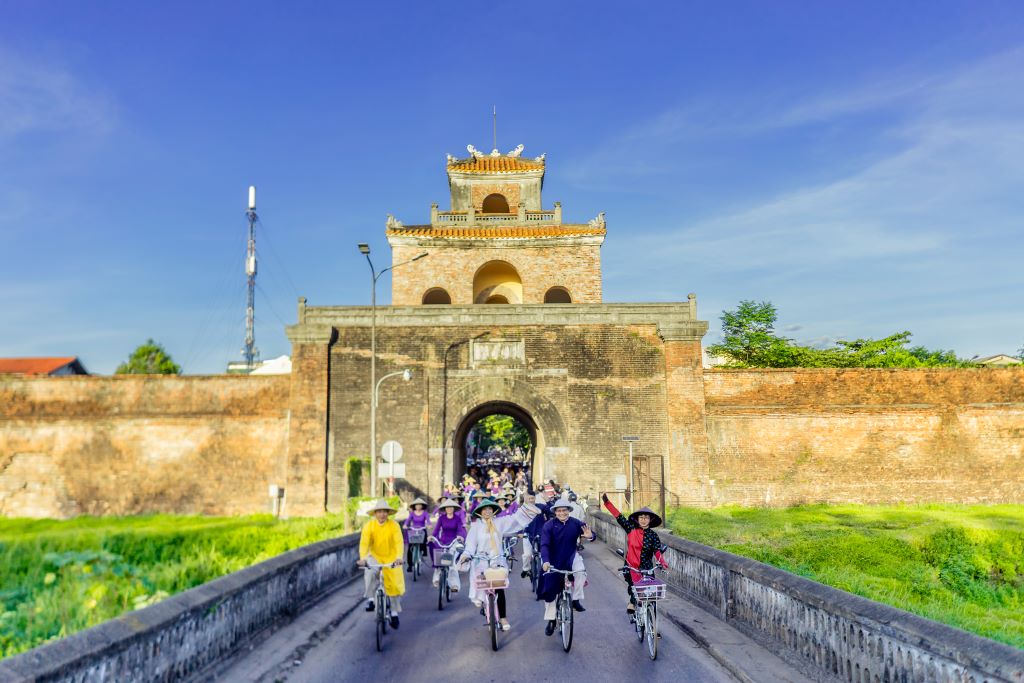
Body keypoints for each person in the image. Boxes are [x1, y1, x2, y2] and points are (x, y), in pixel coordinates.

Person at [457, 496, 539, 631]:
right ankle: (485, 604)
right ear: (480, 512)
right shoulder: (476, 526)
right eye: (484, 509)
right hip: (481, 560)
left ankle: (503, 617)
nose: (487, 511)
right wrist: (466, 555)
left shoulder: (499, 522)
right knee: (481, 583)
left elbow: (514, 519)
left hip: (497, 559)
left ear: (493, 511)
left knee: (499, 588)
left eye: (490, 509)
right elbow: (470, 544)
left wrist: (527, 507)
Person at [601, 493, 668, 614]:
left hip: (647, 567)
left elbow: (657, 551)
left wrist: (662, 562)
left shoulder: (653, 535)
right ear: (637, 519)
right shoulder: (631, 529)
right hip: (631, 566)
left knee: (650, 594)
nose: (643, 520)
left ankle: (652, 623)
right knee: (635, 589)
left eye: (646, 517)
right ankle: (632, 602)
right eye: (641, 517)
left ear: (650, 520)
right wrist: (607, 503)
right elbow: (618, 516)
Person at [539, 496, 595, 635]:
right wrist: (545, 561)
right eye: (559, 511)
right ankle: (551, 620)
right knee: (550, 589)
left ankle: (575, 600)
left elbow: (591, 533)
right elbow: (544, 545)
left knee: (581, 571)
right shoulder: (549, 525)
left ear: (569, 511)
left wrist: (590, 536)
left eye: (564, 510)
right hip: (552, 559)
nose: (562, 513)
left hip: (571, 555)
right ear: (555, 512)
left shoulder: (575, 523)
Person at [357, 499, 405, 628]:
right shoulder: (369, 526)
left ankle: (394, 613)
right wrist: (363, 558)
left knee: (394, 583)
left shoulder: (394, 525)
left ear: (388, 513)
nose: (382, 514)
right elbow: (364, 543)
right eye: (379, 512)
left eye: (384, 512)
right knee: (369, 572)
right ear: (375, 513)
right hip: (375, 556)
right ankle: (371, 599)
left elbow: (399, 542)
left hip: (392, 557)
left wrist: (399, 557)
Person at [429, 497, 466, 592]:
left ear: (454, 508)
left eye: (451, 507)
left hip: (454, 541)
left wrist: (460, 536)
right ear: (445, 509)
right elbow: (436, 529)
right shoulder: (441, 518)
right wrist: (432, 536)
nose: (449, 509)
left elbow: (460, 529)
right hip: (443, 541)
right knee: (439, 558)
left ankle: (454, 585)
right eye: (447, 507)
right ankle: (437, 578)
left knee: (451, 561)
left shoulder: (457, 518)